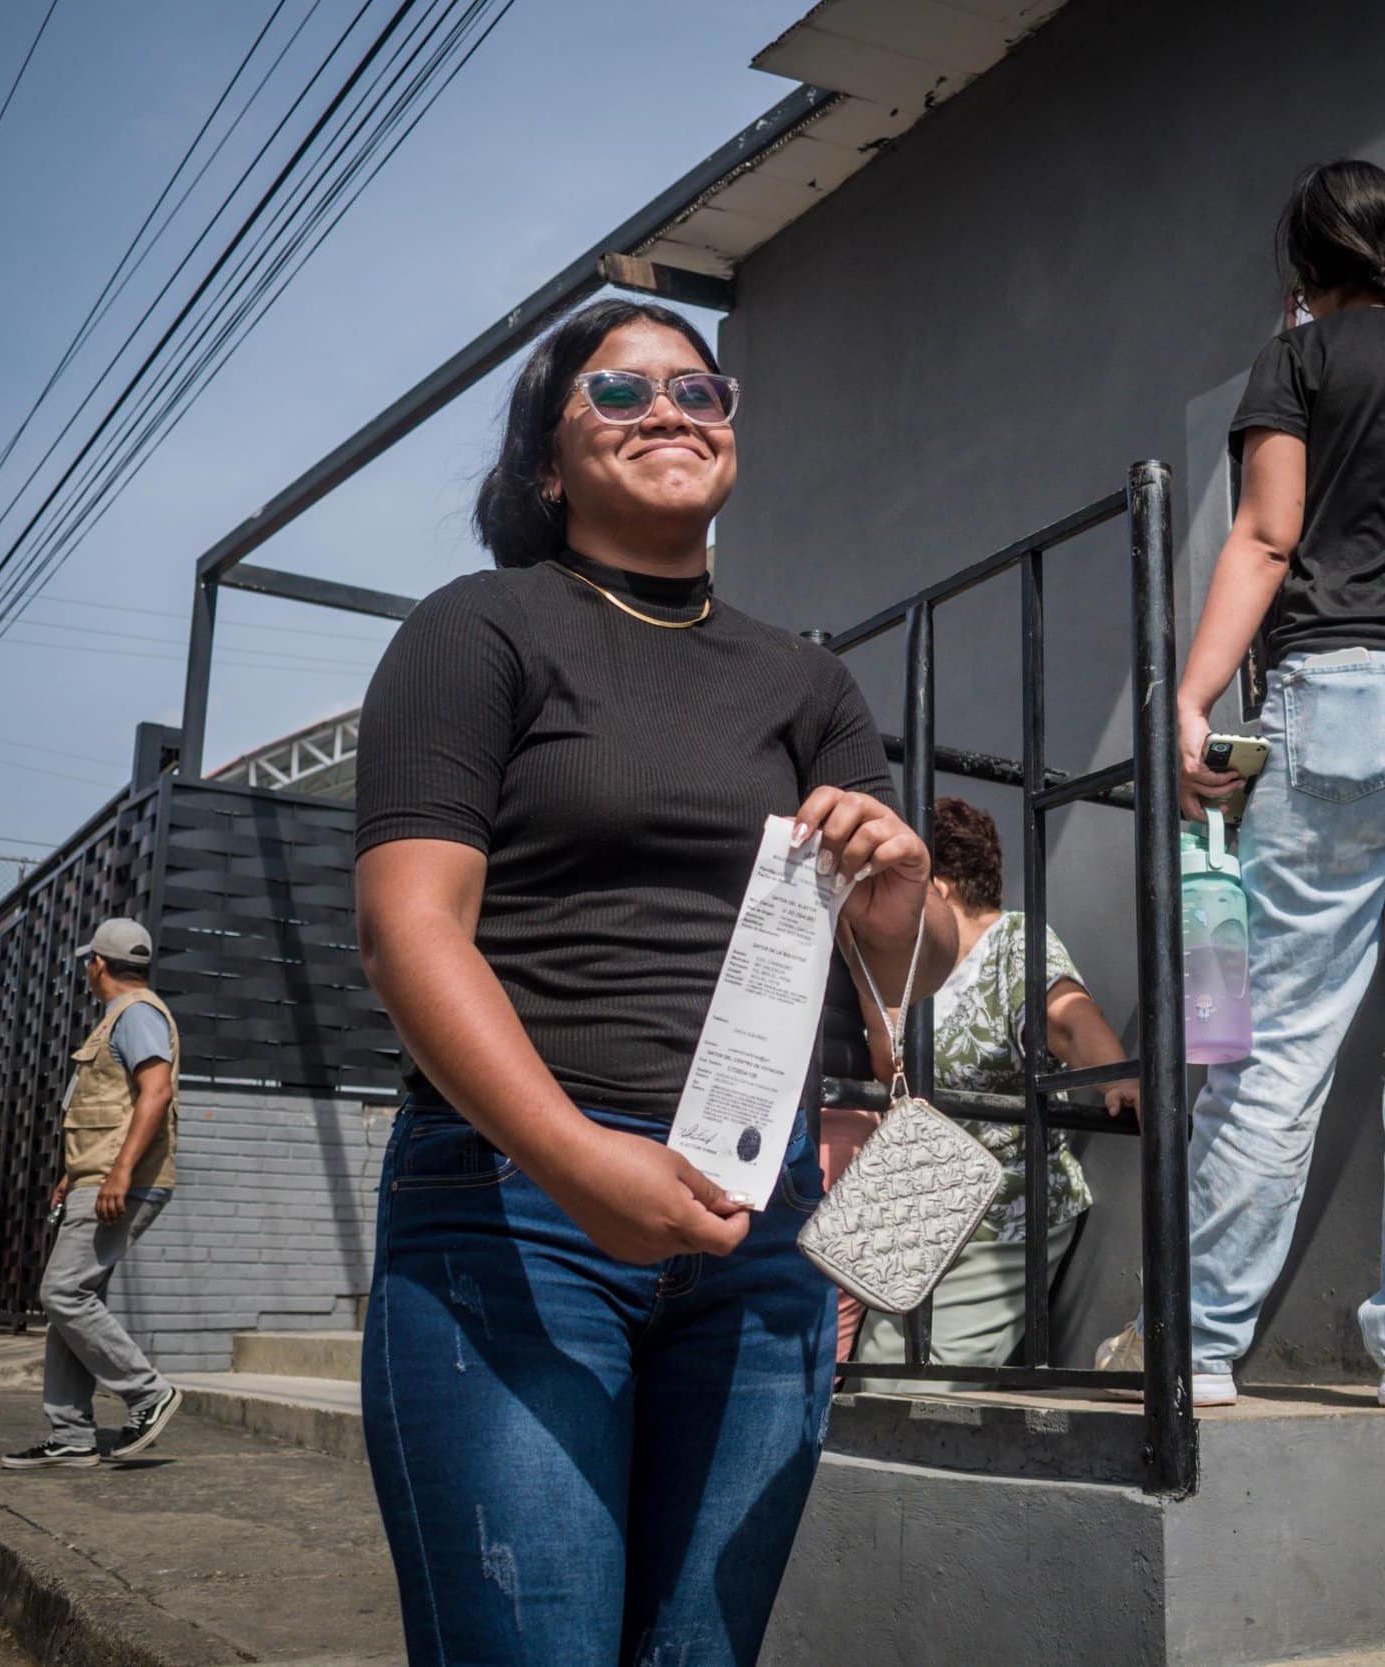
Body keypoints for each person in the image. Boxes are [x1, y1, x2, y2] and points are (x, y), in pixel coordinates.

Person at [351, 298, 953, 1667]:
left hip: (754, 1234)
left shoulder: (804, 677)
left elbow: (880, 953)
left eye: (698, 388)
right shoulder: (477, 631)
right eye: (619, 394)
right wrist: (572, 1158)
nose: (670, 410)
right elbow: (409, 929)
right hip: (517, 1215)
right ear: (546, 463)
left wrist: (897, 882)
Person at [1100, 159, 1385, 1410]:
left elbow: (1264, 535)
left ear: (1305, 268)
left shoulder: (1298, 360)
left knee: (1277, 1041)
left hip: (1351, 703)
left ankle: (1196, 1348)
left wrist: (1189, 698)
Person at [835, 796, 1138, 1377]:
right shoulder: (911, 963)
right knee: (870, 1364)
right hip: (920, 1204)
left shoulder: (1013, 942)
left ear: (938, 887)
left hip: (1002, 1212)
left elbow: (1068, 1019)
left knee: (908, 1380)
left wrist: (1116, 1078)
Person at [2, 918, 184, 1469]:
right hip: (97, 1177)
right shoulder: (118, 1020)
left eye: (87, 963)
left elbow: (155, 1093)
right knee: (74, 1302)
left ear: (97, 965)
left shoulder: (136, 1015)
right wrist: (75, 1172)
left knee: (63, 1293)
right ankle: (72, 1434)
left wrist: (119, 1174)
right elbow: (109, 1109)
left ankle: (148, 1392)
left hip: (121, 1182)